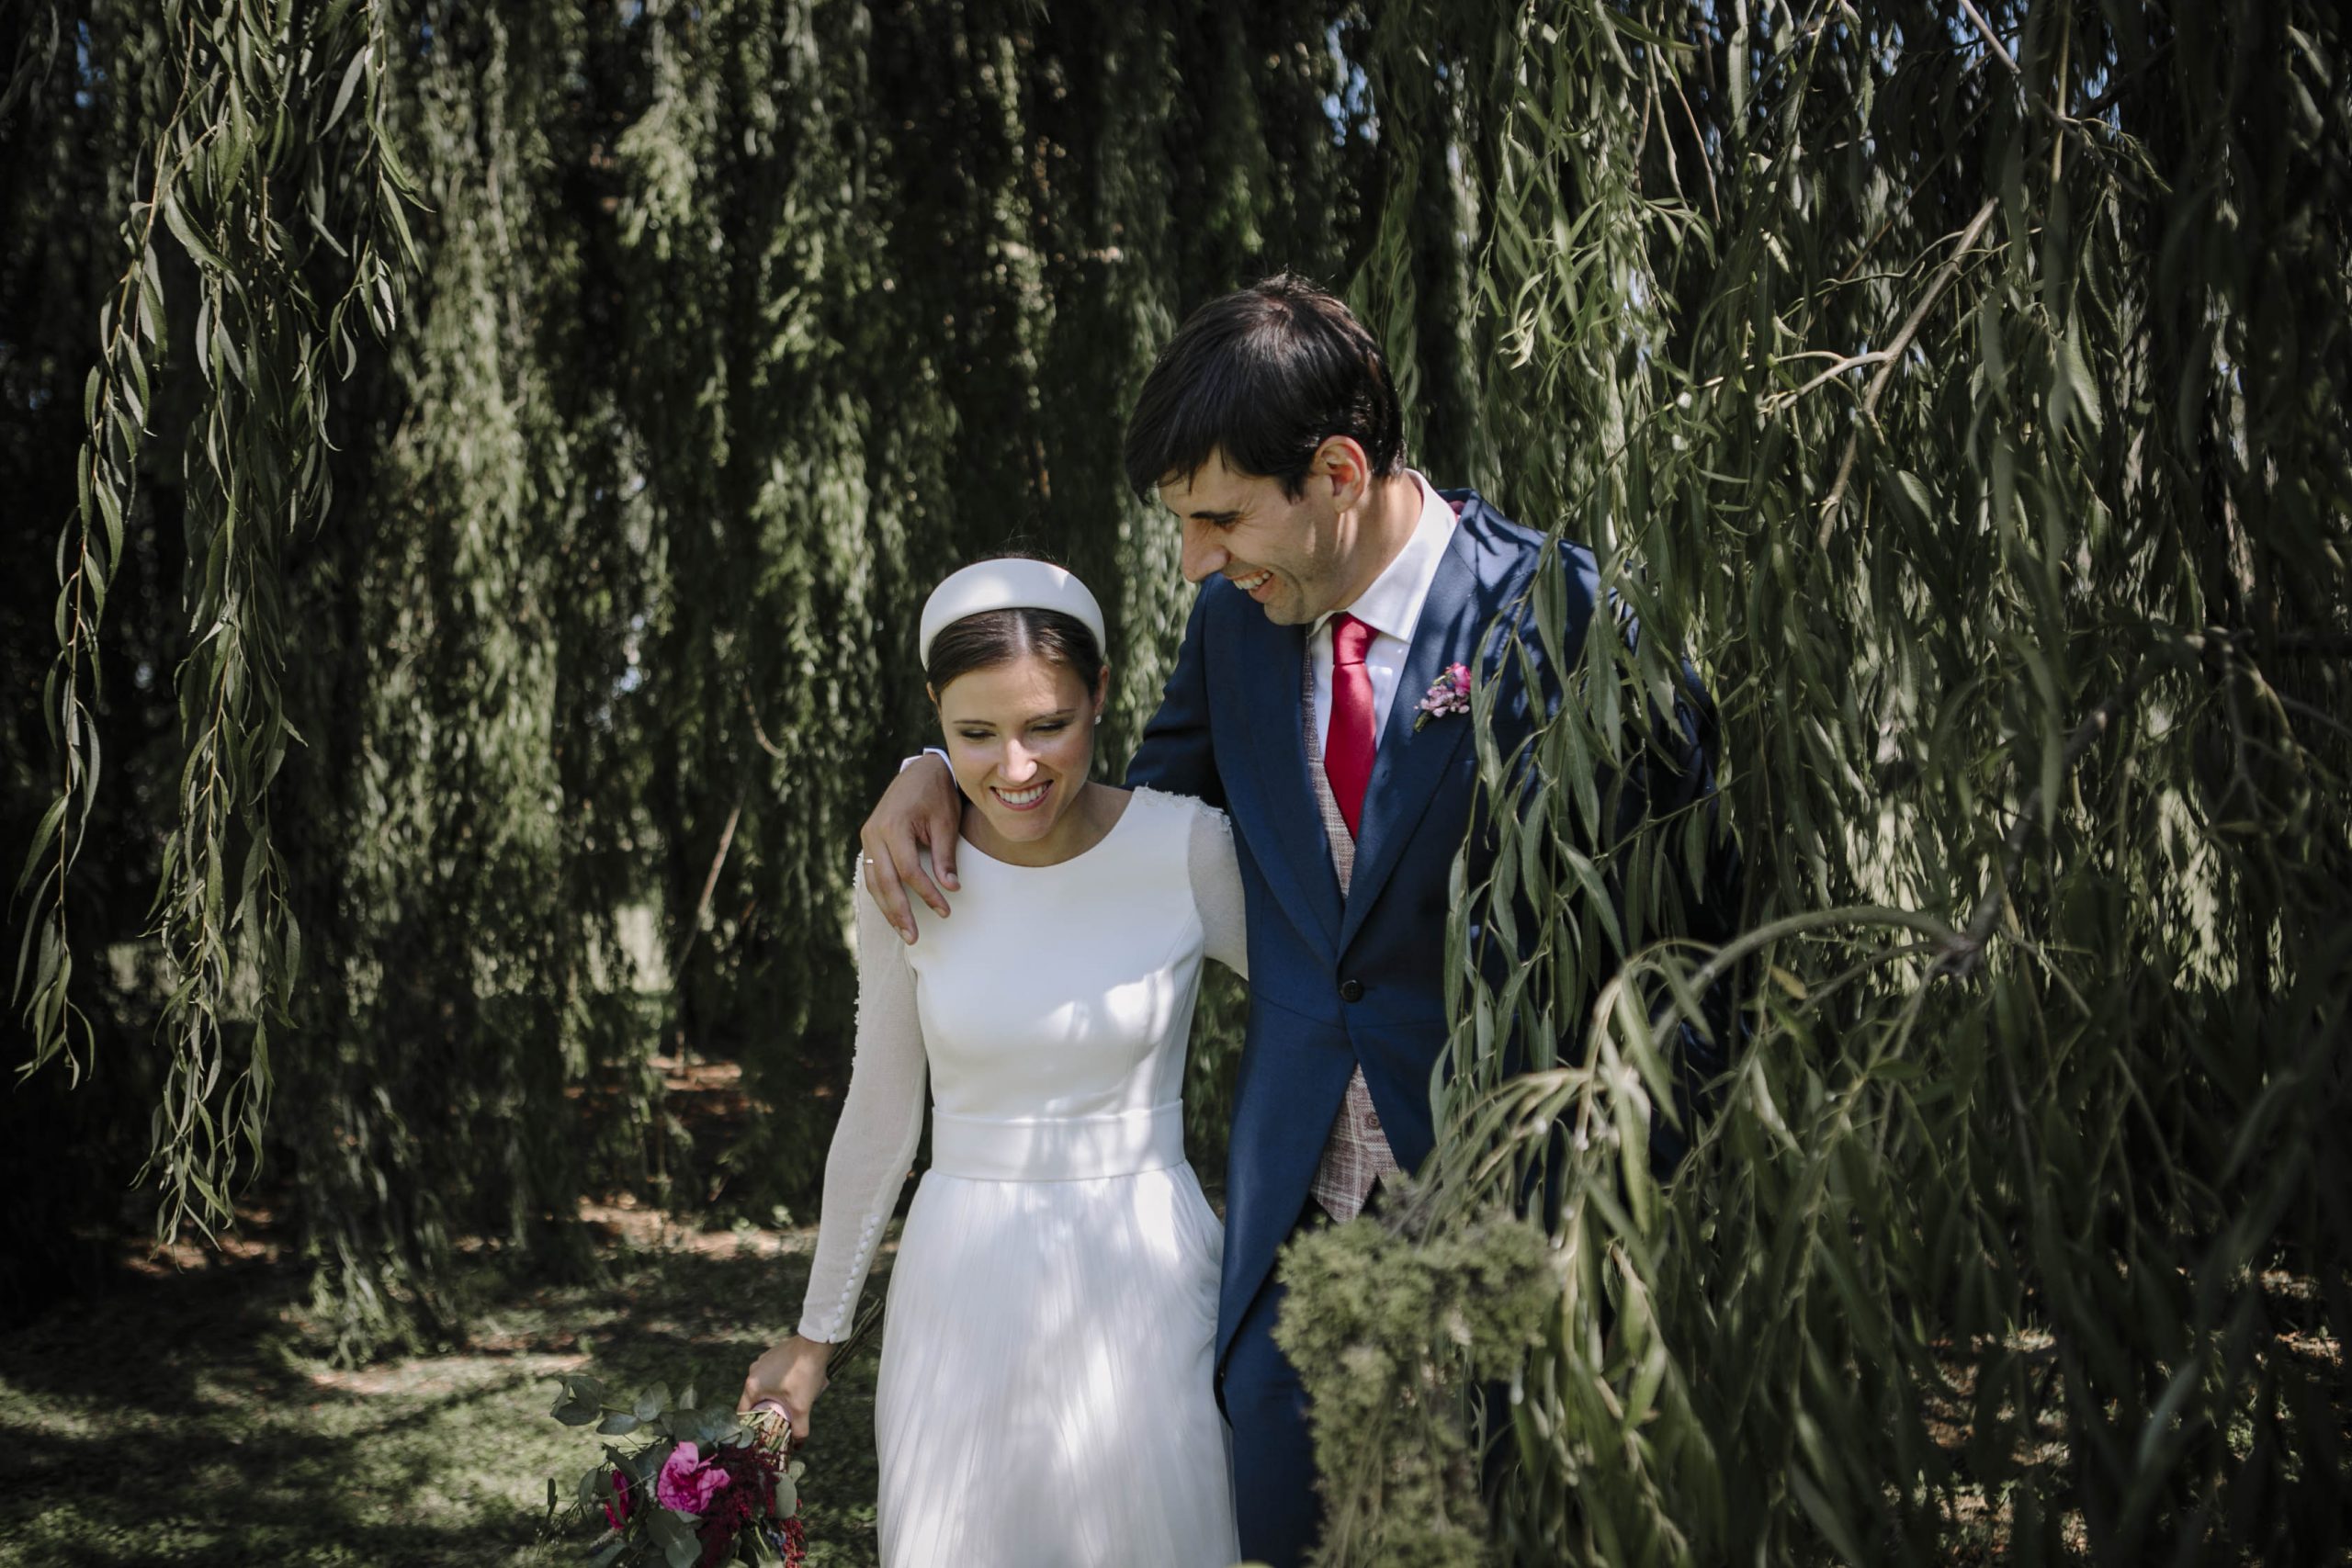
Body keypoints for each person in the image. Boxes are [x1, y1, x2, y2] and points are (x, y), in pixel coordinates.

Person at [858, 276, 1734, 1565]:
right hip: (1293, 1241)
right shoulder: (1236, 631)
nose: (1197, 561)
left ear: (1336, 469)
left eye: (1219, 518)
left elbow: (1693, 951)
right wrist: (941, 769)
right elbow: (1115, 830)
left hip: (1517, 1229)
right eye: (1183, 525)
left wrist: (1621, 1224)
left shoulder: (1568, 620)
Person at [738, 558, 1248, 1567]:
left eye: (1046, 725)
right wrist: (814, 1339)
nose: (1014, 769)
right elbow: (880, 1114)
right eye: (973, 736)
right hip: (960, 1280)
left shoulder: (1185, 849)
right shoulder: (904, 866)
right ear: (936, 716)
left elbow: (1327, 1007)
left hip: (1150, 1268)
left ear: (1101, 695)